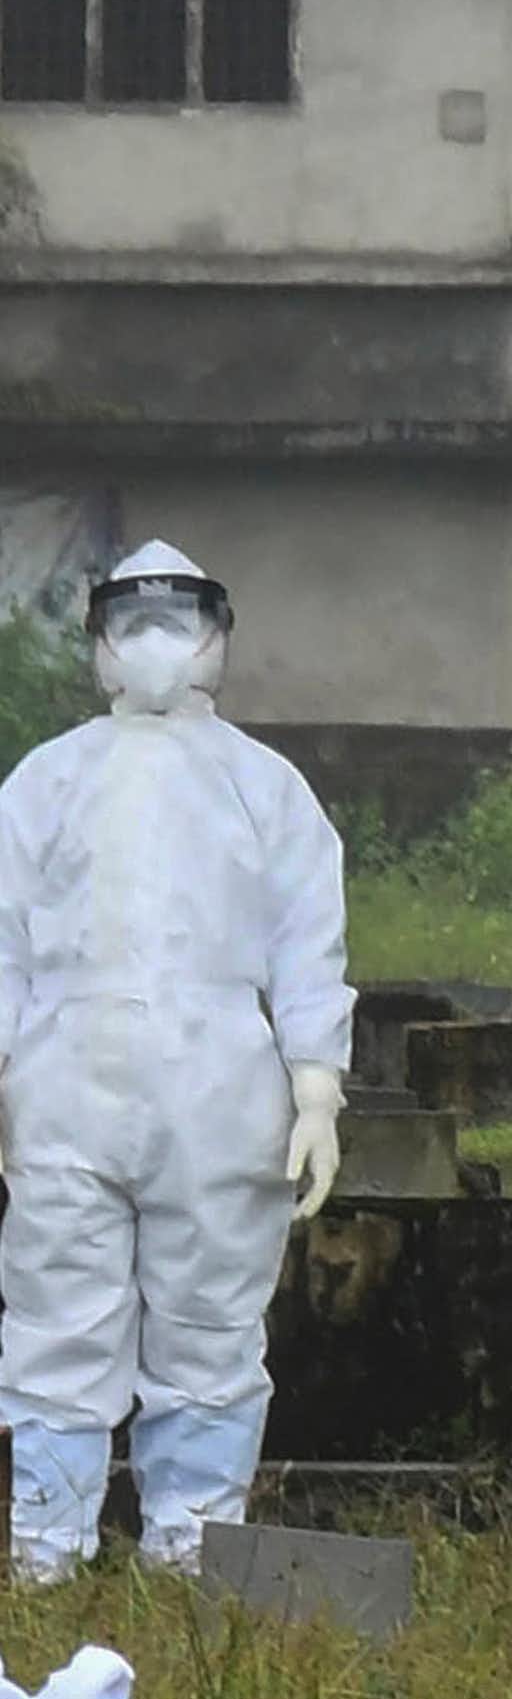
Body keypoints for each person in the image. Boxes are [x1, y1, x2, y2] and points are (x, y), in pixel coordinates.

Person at [0, 543, 348, 1582]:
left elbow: (308, 947)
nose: (154, 642)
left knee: (206, 1326)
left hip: (207, 1094)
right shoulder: (44, 782)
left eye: (176, 619)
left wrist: (318, 1085)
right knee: (58, 1321)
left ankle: (190, 1552)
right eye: (131, 621)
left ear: (216, 636)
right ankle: (47, 1551)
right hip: (75, 1090)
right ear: (101, 642)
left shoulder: (264, 787)